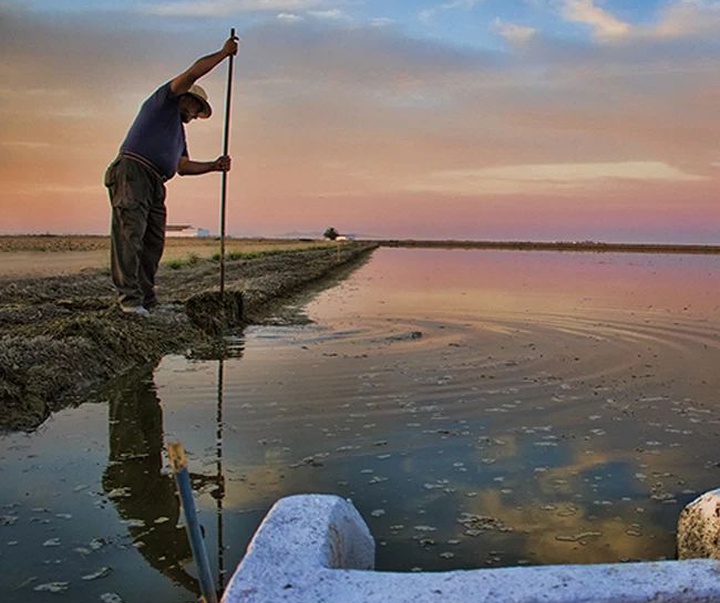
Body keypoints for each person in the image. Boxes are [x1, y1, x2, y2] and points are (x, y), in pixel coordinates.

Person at [104, 36, 239, 317]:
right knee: (130, 234)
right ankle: (129, 300)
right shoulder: (163, 102)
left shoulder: (179, 133)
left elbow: (183, 166)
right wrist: (224, 54)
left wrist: (214, 166)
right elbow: (194, 72)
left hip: (156, 182)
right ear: (185, 98)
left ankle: (147, 298)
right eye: (194, 106)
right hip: (133, 171)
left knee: (153, 242)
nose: (195, 112)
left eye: (199, 111)